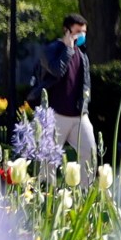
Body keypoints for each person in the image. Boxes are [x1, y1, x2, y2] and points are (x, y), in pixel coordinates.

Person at [30, 13, 98, 168]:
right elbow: (57, 70)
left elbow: (86, 83)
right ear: (66, 30)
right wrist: (68, 49)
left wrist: (85, 105)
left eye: (84, 32)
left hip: (79, 115)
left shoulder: (82, 54)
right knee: (49, 160)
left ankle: (84, 190)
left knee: (90, 153)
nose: (82, 35)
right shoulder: (51, 50)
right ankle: (48, 191)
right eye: (78, 31)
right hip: (55, 115)